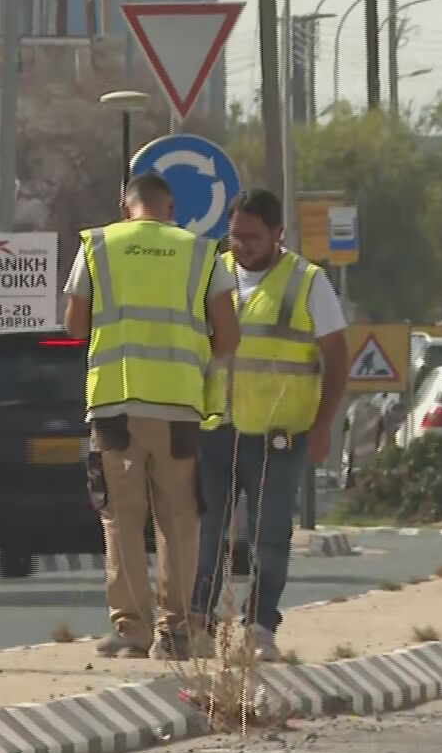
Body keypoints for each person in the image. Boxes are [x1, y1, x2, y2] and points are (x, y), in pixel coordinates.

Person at [65, 172, 240, 661]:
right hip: (179, 409)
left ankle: (131, 632)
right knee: (179, 520)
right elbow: (227, 335)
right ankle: (179, 632)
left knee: (120, 519)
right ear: (170, 211)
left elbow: (75, 325)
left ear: (126, 209)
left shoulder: (97, 246)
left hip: (114, 405)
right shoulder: (202, 253)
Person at [192, 189, 348, 661]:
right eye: (235, 236)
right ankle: (199, 621)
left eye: (253, 238)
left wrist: (323, 426)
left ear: (278, 234)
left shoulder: (307, 282)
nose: (241, 247)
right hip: (215, 430)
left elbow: (337, 358)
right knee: (205, 531)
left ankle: (260, 626)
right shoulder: (210, 276)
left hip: (280, 435)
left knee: (270, 536)